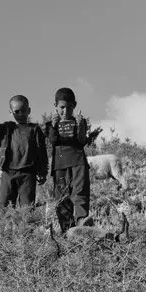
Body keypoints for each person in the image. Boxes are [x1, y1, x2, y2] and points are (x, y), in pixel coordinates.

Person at [0, 95, 47, 209]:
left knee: (27, 210)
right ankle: (3, 227)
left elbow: (42, 152)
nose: (20, 114)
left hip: (28, 175)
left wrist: (43, 172)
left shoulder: (34, 130)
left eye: (23, 110)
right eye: (16, 111)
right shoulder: (6, 129)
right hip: (8, 173)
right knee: (5, 209)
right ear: (11, 112)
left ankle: (24, 227)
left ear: (28, 111)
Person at [47, 87, 90, 233]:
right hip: (59, 165)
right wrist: (53, 126)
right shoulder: (50, 124)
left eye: (69, 107)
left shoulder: (79, 121)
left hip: (78, 163)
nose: (65, 111)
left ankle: (82, 226)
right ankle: (66, 231)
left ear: (75, 105)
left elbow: (82, 141)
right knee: (62, 199)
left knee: (79, 194)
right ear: (55, 106)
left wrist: (80, 125)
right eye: (62, 107)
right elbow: (53, 141)